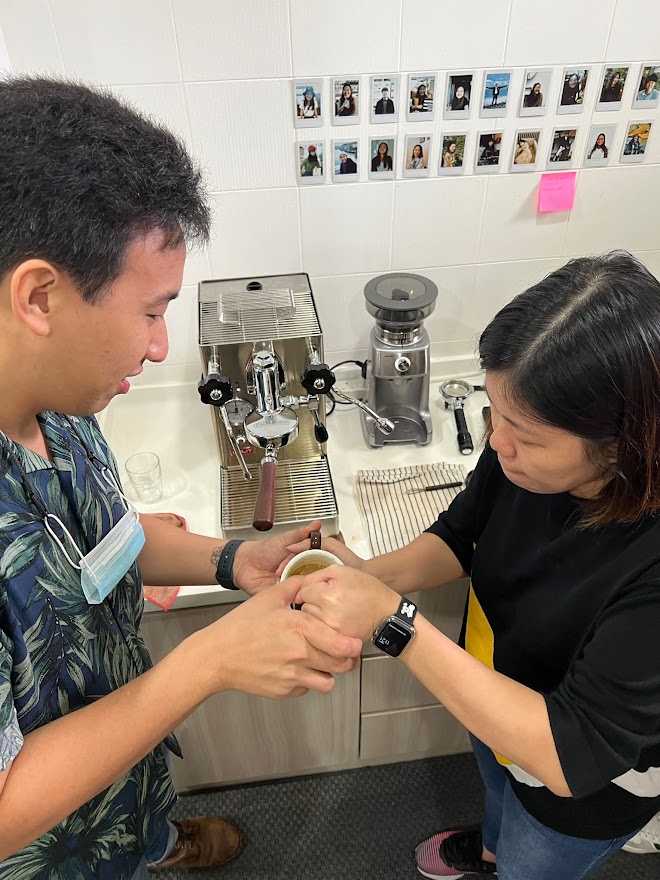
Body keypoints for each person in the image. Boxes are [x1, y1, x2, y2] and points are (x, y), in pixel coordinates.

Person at [0, 76, 361, 879]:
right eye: (152, 312)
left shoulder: (61, 399)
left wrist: (231, 560)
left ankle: (158, 843)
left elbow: (106, 543)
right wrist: (205, 663)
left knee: (143, 829)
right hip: (49, 852)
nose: (161, 349)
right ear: (39, 296)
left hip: (121, 771)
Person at [290, 251, 660, 880]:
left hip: (581, 781)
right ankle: (490, 849)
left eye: (525, 433)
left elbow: (565, 754)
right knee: (496, 789)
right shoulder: (517, 452)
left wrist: (393, 622)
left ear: (625, 442)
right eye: (496, 414)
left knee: (533, 853)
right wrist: (364, 574)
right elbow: (463, 533)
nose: (496, 442)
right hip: (493, 685)